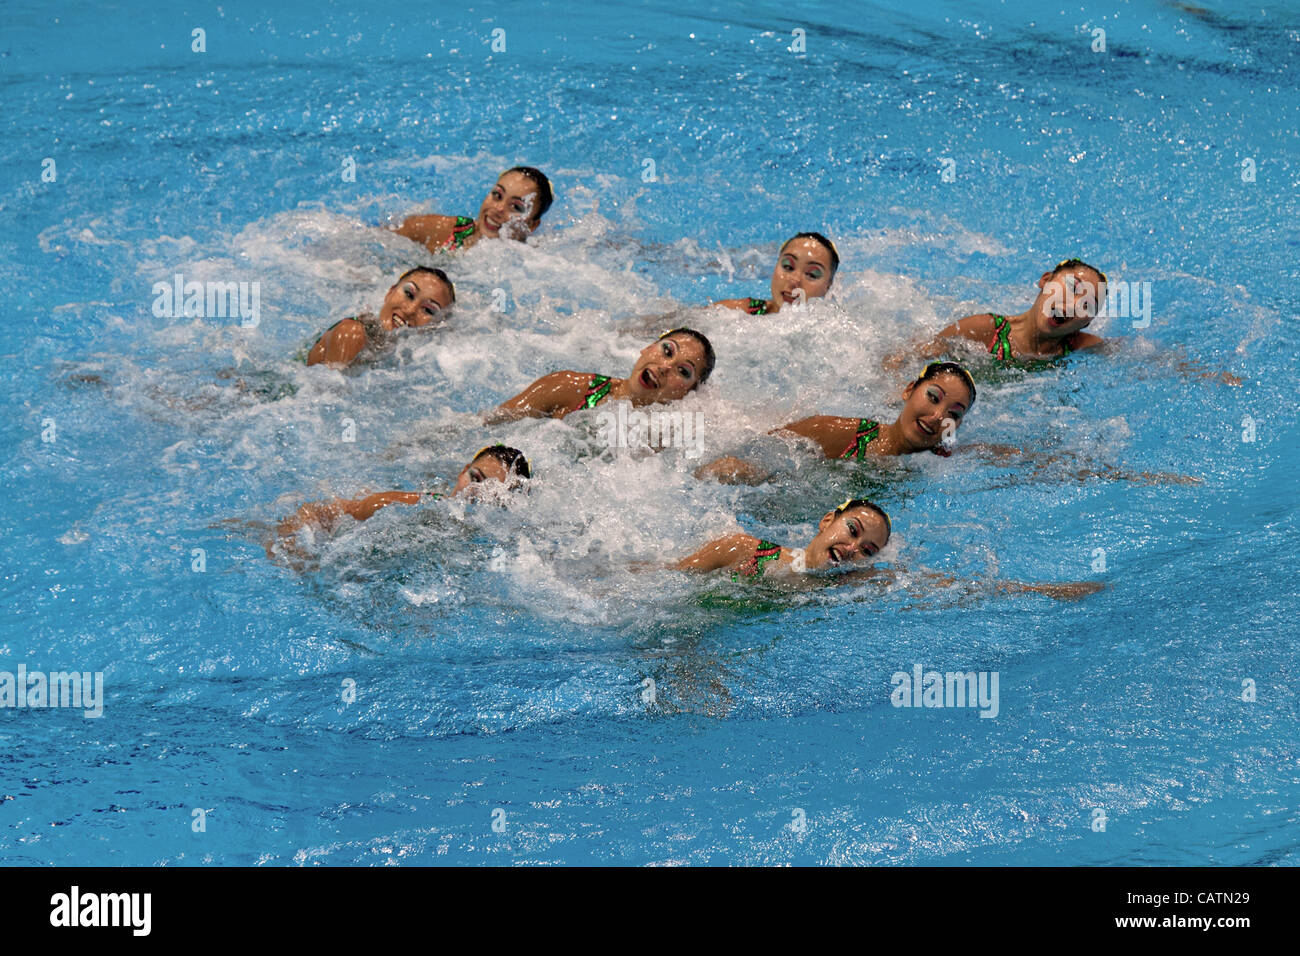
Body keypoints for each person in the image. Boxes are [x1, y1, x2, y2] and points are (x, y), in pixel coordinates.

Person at [677, 497, 1103, 600]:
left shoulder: (845, 587)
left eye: (867, 550)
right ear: (828, 521)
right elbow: (664, 578)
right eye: (852, 529)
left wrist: (1045, 591)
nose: (852, 547)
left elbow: (951, 587)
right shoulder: (743, 549)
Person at [697, 362, 975, 483]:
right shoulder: (837, 433)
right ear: (908, 390)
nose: (939, 416)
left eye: (954, 413)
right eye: (933, 397)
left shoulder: (942, 461)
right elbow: (755, 452)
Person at [268, 445, 530, 557]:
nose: (474, 492)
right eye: (474, 477)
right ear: (462, 471)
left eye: (490, 491)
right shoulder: (404, 506)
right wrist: (292, 550)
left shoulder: (502, 545)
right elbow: (316, 510)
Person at [889, 258, 1106, 369]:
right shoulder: (984, 330)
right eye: (1073, 288)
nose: (1072, 305)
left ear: (1085, 324)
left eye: (1087, 306)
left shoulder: (1079, 346)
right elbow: (905, 355)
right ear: (1046, 280)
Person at [487, 328, 715, 422]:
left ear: (689, 393)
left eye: (683, 371)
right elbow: (491, 422)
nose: (665, 367)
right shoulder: (568, 388)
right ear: (647, 348)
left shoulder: (674, 435)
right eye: (667, 350)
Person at [305, 266, 455, 368]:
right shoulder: (351, 333)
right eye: (409, 294)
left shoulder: (408, 356)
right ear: (390, 292)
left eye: (428, 310)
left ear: (436, 326)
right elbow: (326, 402)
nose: (410, 310)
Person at [392, 166, 554, 253]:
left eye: (516, 207)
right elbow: (378, 240)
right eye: (497, 195)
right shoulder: (442, 230)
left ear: (532, 226)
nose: (498, 208)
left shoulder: (532, 263)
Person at [713, 232, 839, 315]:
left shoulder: (835, 332)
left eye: (812, 274)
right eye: (788, 266)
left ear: (828, 287)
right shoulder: (742, 312)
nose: (795, 280)